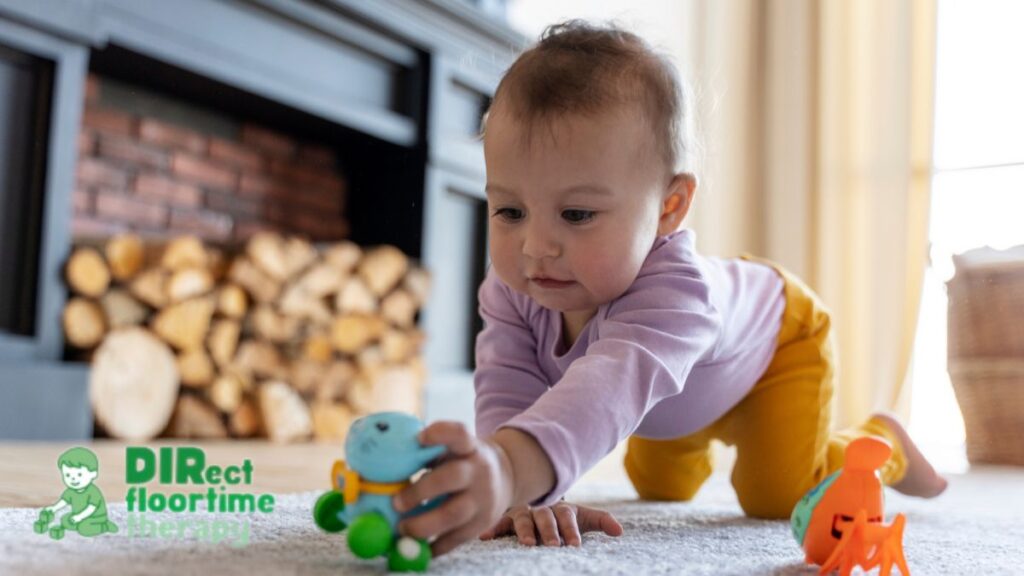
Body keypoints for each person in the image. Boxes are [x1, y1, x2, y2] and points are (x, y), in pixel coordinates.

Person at [391, 20, 947, 557]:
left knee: (778, 494)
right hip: (678, 393)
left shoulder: (675, 295)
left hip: (777, 346)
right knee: (661, 489)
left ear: (668, 207)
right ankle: (699, 437)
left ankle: (882, 444)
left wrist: (511, 468)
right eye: (510, 211)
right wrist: (518, 491)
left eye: (577, 214)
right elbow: (509, 384)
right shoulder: (514, 288)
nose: (535, 247)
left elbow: (609, 388)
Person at [35, 447, 119, 539]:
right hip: (78, 515)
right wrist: (54, 508)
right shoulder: (70, 491)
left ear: (93, 474)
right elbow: (64, 501)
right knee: (65, 520)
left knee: (84, 529)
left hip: (95, 518)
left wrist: (79, 517)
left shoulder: (93, 492)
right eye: (68, 475)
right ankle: (76, 524)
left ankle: (105, 525)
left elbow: (91, 508)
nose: (73, 479)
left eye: (79, 474)